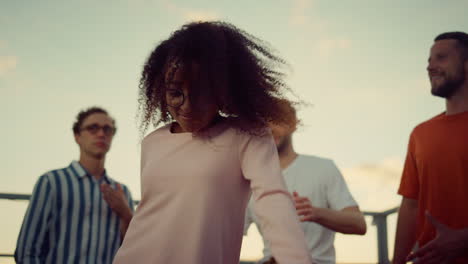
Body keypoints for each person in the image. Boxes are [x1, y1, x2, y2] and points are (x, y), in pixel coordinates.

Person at [112, 21, 312, 264]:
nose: (186, 106)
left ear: (224, 92)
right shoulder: (152, 143)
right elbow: (157, 213)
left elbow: (273, 198)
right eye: (175, 93)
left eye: (200, 93)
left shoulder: (248, 134)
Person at [244, 100, 366, 264]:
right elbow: (228, 234)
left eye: (277, 120)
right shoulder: (250, 179)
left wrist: (315, 213)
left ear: (294, 125)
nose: (270, 129)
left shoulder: (322, 168)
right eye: (264, 123)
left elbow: (358, 224)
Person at [15, 107, 134, 264]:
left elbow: (134, 250)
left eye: (107, 129)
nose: (101, 134)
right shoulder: (52, 182)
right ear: (77, 136)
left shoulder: (122, 192)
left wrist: (126, 213)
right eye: (93, 128)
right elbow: (26, 251)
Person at [393, 31, 468, 264]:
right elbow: (410, 205)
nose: (430, 66)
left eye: (441, 58)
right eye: (429, 60)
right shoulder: (420, 134)